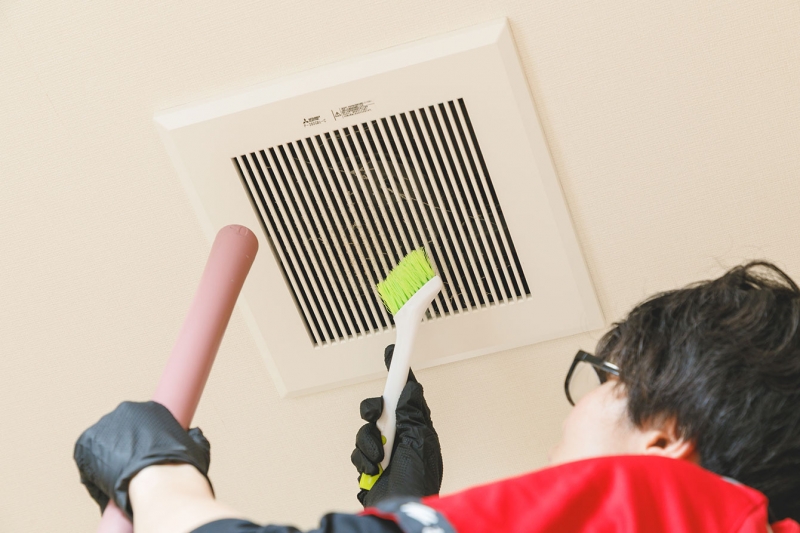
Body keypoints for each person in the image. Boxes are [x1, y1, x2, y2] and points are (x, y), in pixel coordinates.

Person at [75, 261, 800, 532]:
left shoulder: (662, 504)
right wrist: (402, 510)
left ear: (664, 434)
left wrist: (159, 475)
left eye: (603, 381)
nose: (575, 409)